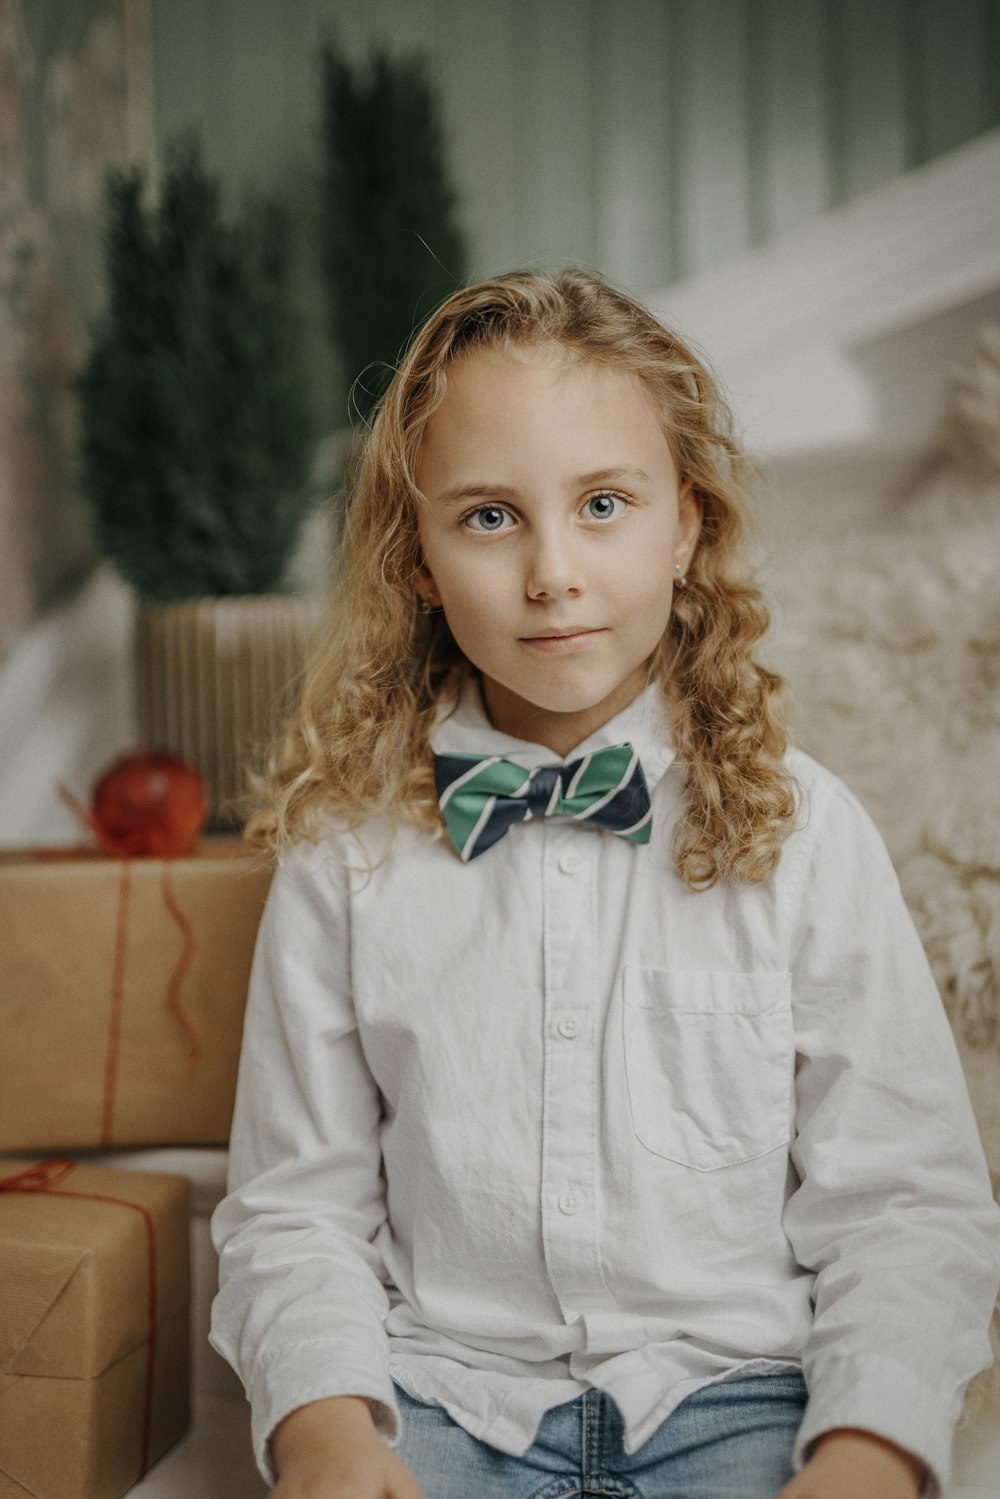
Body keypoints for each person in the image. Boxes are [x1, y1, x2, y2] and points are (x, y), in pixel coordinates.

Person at [210, 269, 1000, 1499]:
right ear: (414, 557)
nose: (552, 571)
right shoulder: (344, 857)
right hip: (446, 1394)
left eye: (603, 504)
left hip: (739, 1392)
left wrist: (868, 1447)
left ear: (685, 525)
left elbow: (903, 1199)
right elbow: (293, 1207)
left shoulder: (805, 832)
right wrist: (325, 1427)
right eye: (486, 516)